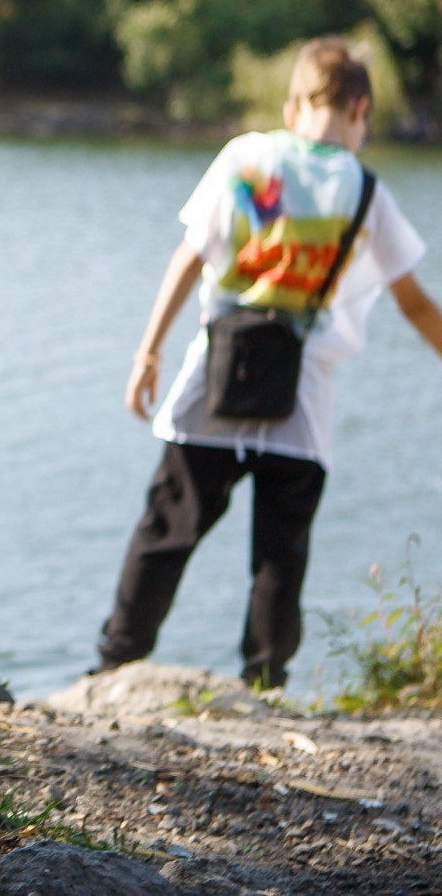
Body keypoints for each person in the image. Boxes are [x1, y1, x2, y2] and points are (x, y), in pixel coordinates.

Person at [100, 38, 442, 689]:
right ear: (361, 108)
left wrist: (148, 351)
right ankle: (264, 680)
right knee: (281, 551)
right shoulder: (366, 192)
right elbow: (417, 306)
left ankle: (115, 663)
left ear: (293, 106)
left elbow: (190, 254)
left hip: (214, 379)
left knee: (167, 527)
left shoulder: (247, 156)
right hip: (302, 395)